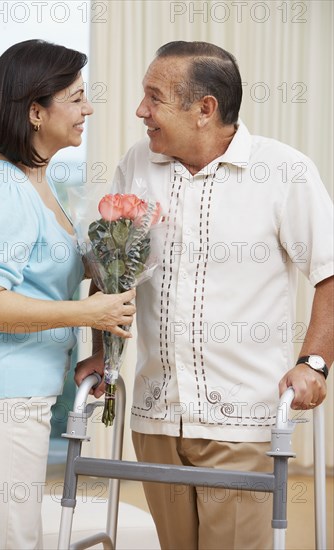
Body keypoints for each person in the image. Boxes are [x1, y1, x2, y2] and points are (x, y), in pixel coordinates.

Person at [75, 41, 333, 549]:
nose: (140, 111)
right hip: (155, 418)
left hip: (242, 422)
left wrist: (315, 363)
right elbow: (112, 268)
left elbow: (330, 271)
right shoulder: (138, 164)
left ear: (204, 110)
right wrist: (101, 355)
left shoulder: (283, 170)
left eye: (154, 97)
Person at [0, 39, 136, 550]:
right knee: (6, 540)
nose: (88, 108)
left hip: (26, 394)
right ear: (36, 112)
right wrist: (88, 310)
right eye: (77, 97)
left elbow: (42, 276)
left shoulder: (39, 183)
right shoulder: (6, 191)